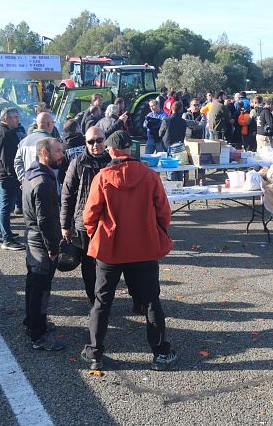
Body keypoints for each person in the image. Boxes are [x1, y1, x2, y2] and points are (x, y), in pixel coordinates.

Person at [80, 131, 177, 371]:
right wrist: (157, 232)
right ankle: (160, 353)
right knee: (151, 300)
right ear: (129, 149)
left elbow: (89, 215)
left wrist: (95, 235)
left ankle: (95, 353)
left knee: (102, 301)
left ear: (111, 150)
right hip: (143, 247)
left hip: (110, 248)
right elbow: (163, 211)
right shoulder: (149, 175)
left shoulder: (103, 177)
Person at [22, 138, 66, 351]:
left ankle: (31, 322)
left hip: (32, 238)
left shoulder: (32, 173)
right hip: (40, 242)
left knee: (33, 283)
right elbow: (45, 220)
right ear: (44, 153)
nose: (62, 155)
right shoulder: (44, 182)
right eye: (58, 151)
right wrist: (53, 249)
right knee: (41, 288)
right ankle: (37, 335)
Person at [61, 126, 111, 306]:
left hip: (109, 221)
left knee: (109, 261)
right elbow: (67, 195)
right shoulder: (77, 163)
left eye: (99, 140)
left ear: (105, 141)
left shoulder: (112, 161)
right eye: (91, 142)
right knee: (89, 262)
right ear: (85, 143)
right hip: (85, 222)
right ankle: (93, 298)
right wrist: (65, 225)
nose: (96, 145)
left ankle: (105, 295)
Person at [0, 108, 24, 250]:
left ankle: (5, 233)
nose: (17, 119)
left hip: (2, 174)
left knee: (4, 206)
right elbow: (8, 160)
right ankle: (6, 239)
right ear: (6, 118)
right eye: (15, 117)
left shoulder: (0, 130)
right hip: (6, 176)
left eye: (17, 116)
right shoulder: (5, 134)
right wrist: (16, 177)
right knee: (5, 207)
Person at [15, 113, 60, 182]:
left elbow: (18, 163)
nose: (53, 125)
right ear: (48, 124)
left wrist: (25, 181)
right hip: (46, 183)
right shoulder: (51, 142)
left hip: (29, 184)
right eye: (53, 123)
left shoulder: (23, 142)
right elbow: (56, 165)